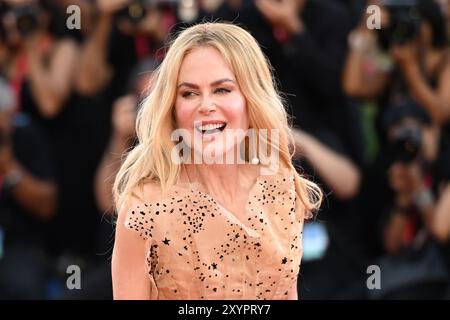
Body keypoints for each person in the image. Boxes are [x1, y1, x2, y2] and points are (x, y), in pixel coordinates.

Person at [111, 22, 322, 300]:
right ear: (173, 107)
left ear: (250, 96)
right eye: (189, 93)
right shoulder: (145, 208)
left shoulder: (281, 185)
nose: (206, 105)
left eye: (222, 89)